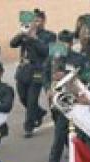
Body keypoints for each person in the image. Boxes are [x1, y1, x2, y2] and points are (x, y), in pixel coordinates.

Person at [11, 9, 56, 138]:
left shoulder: (50, 35)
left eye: (37, 20)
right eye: (33, 21)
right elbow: (12, 44)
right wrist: (22, 34)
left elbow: (47, 51)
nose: (35, 23)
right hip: (23, 70)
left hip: (38, 70)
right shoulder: (25, 33)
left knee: (31, 100)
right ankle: (39, 112)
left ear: (43, 21)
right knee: (23, 98)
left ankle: (28, 126)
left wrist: (35, 39)